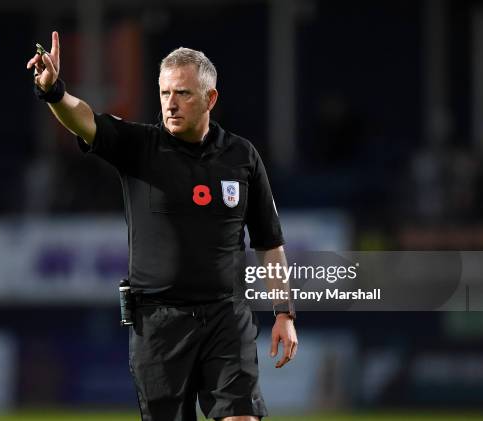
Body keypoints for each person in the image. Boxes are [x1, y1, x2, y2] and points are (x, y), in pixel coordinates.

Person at [26, 31, 298, 421]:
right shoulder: (139, 146)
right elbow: (83, 119)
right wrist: (53, 92)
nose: (171, 104)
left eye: (183, 93)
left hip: (226, 317)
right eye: (165, 93)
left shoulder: (242, 156)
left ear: (210, 98)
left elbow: (270, 242)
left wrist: (284, 313)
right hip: (158, 324)